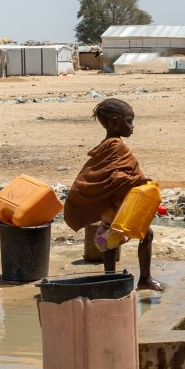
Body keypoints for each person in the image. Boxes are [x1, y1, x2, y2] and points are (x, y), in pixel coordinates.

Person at [63, 98, 164, 292]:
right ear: (115, 122)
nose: (132, 126)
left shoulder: (107, 144)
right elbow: (115, 176)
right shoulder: (116, 146)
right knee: (145, 234)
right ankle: (144, 279)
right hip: (118, 205)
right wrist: (136, 181)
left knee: (111, 240)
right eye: (129, 121)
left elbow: (110, 173)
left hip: (113, 204)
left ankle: (110, 278)